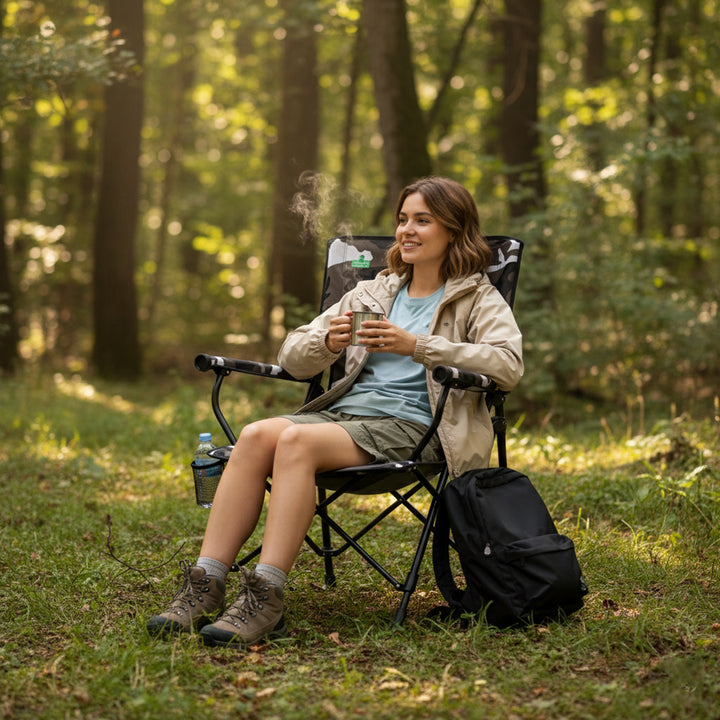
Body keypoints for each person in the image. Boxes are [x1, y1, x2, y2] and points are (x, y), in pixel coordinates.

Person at [146, 176, 523, 647]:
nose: (407, 230)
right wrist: (328, 341)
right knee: (256, 434)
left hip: (419, 428)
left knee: (294, 440)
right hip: (343, 419)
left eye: (423, 221)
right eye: (403, 219)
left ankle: (266, 598)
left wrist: (419, 345)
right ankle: (206, 584)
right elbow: (291, 357)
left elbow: (508, 365)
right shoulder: (372, 291)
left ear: (454, 230)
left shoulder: (477, 295)